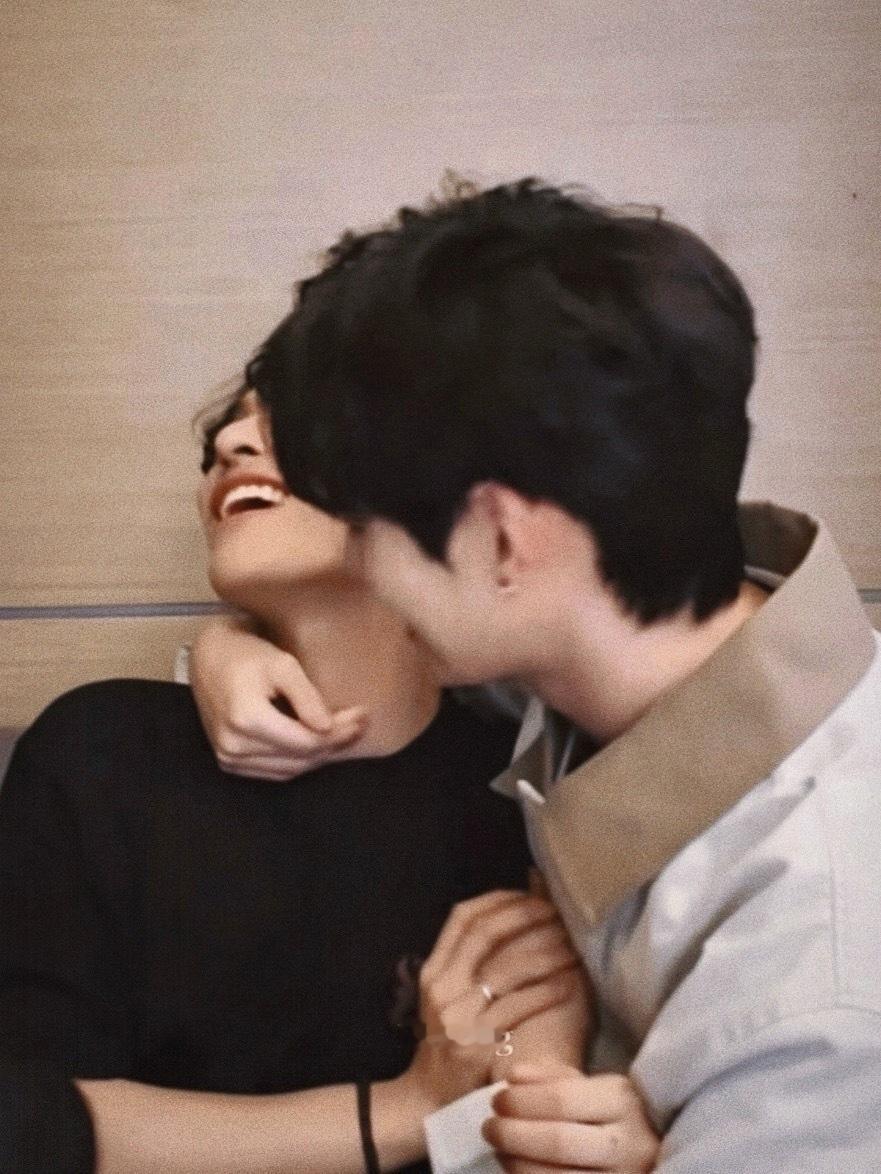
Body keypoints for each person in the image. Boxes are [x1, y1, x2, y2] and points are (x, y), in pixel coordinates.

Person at [236, 177, 881, 1171]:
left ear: (503, 538)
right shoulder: (620, 641)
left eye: (362, 530)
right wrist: (236, 650)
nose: (355, 568)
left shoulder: (818, 992)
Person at [0, 385, 661, 1173]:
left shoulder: (520, 780)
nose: (230, 446)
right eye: (221, 437)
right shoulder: (101, 750)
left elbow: (524, 1073)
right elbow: (29, 1117)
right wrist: (409, 1109)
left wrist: (571, 1128)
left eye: (287, 420)